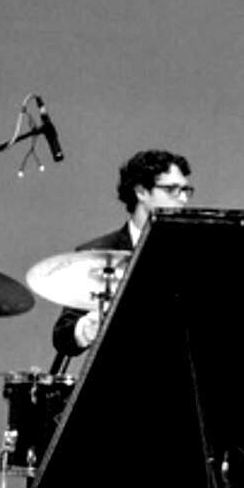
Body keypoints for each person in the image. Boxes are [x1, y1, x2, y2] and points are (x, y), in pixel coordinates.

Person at [49, 149, 194, 358]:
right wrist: (87, 328)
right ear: (141, 191)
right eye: (172, 190)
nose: (182, 199)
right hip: (121, 377)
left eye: (185, 190)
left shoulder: (193, 250)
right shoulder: (98, 252)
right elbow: (63, 337)